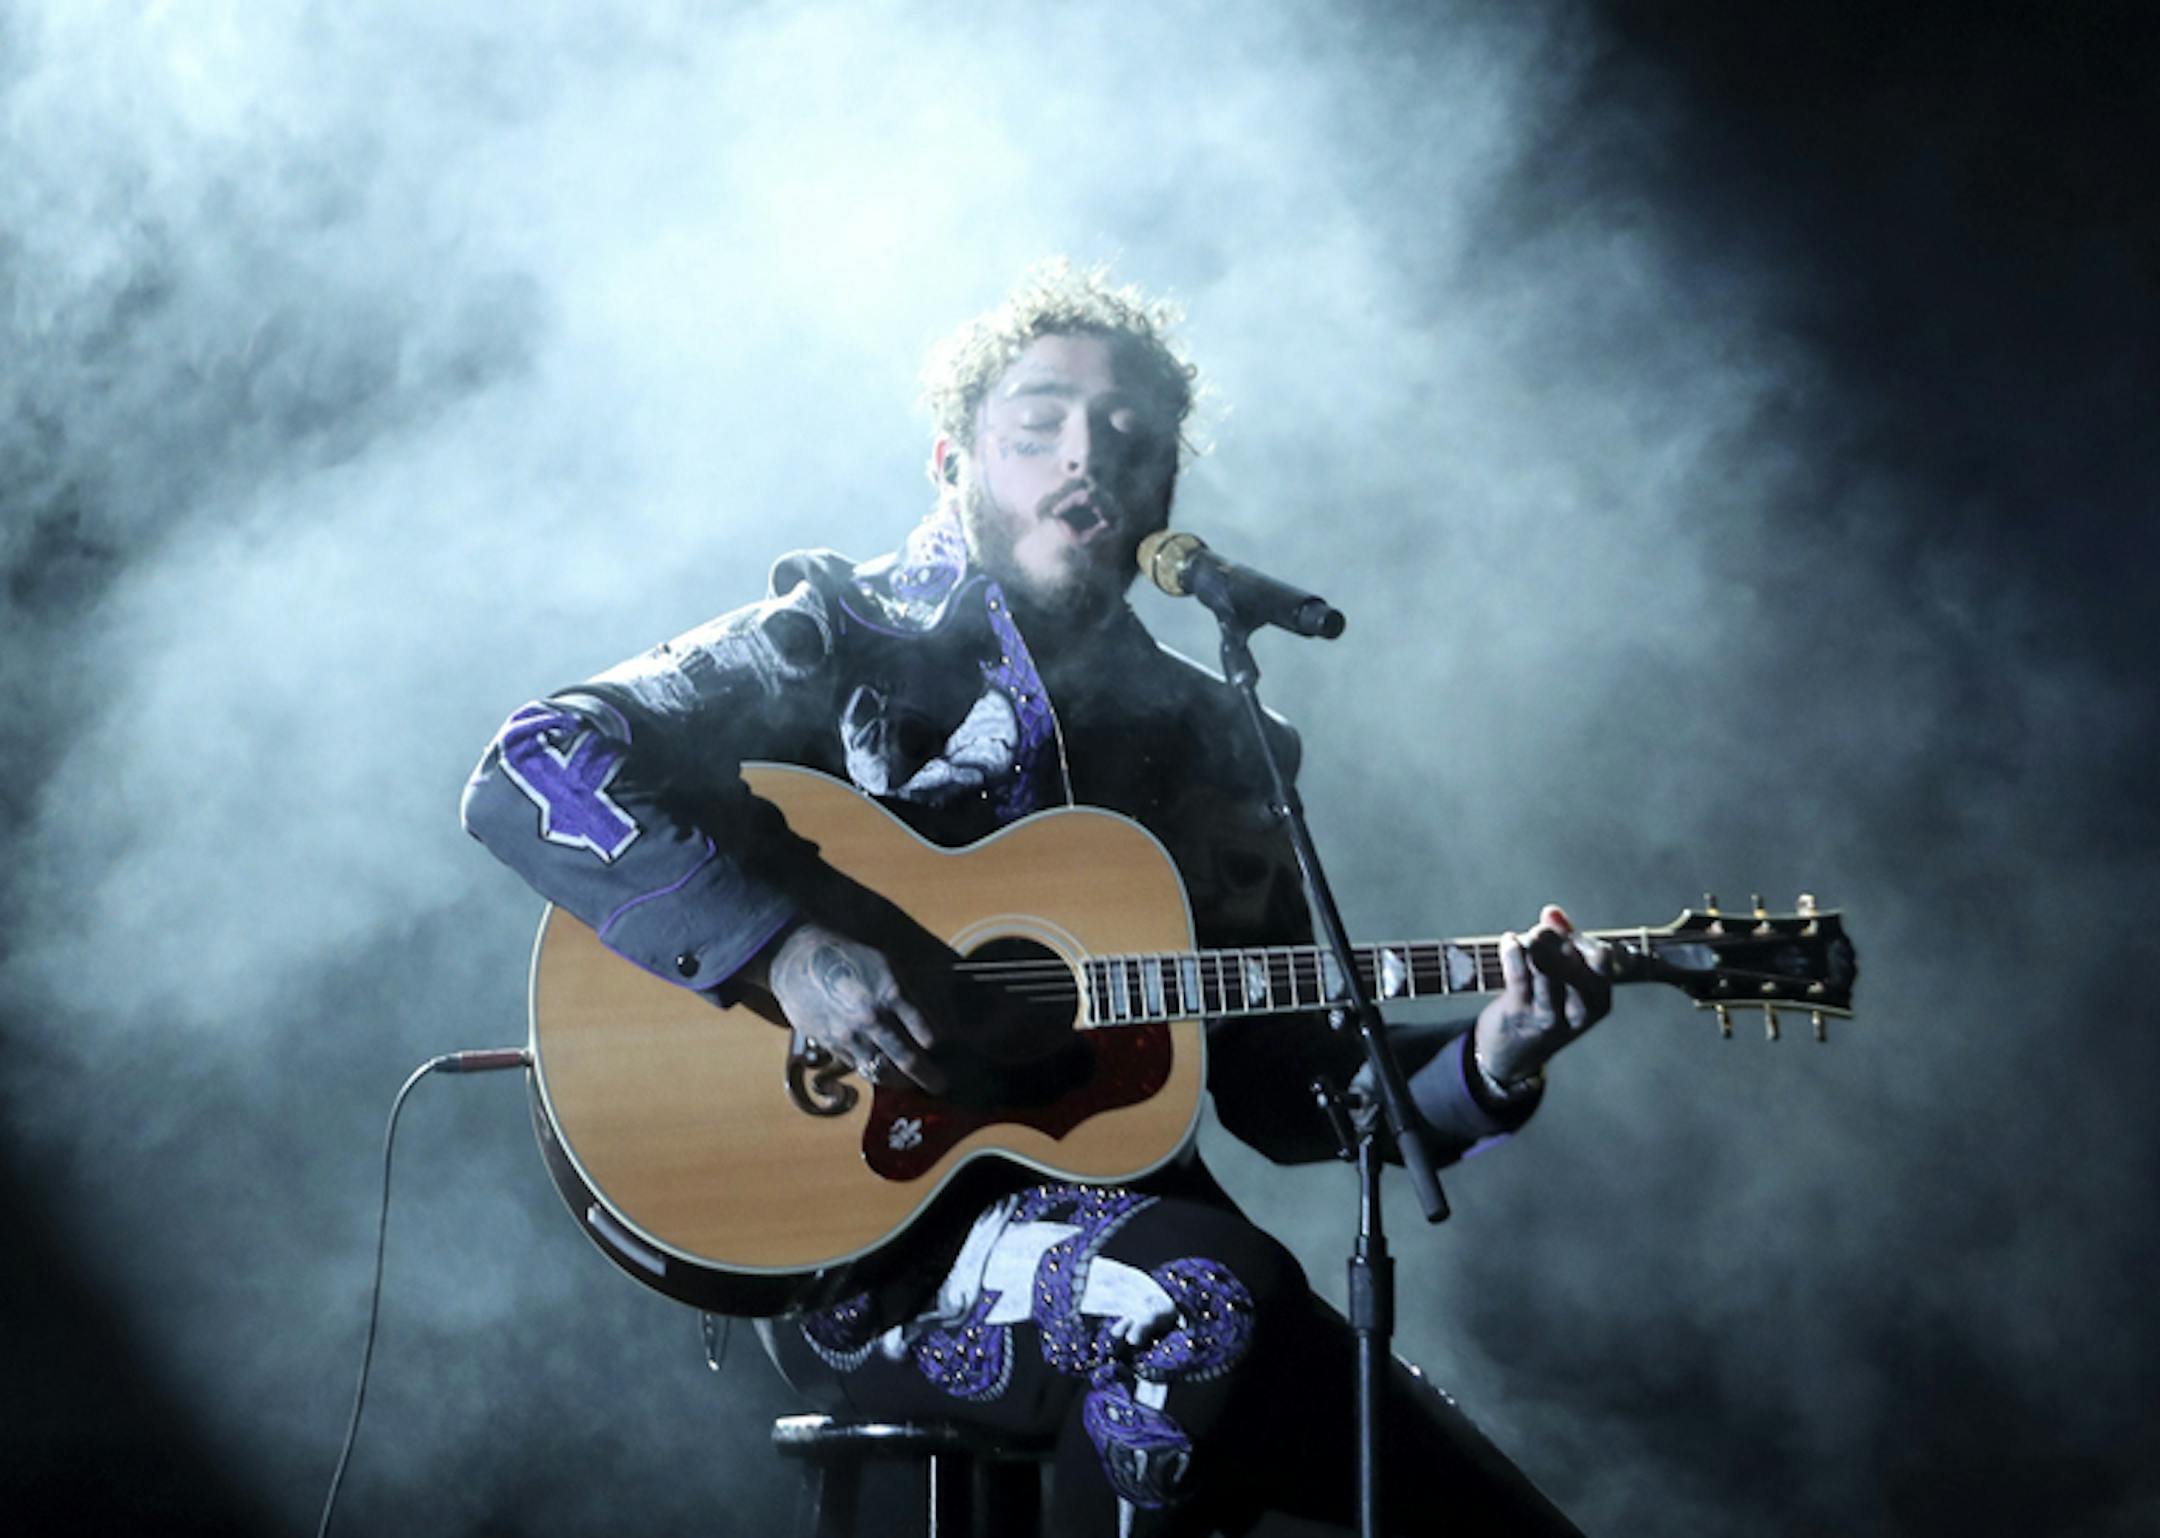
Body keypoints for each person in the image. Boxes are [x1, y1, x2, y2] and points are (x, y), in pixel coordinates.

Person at [461, 262, 1611, 1536]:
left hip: (1149, 1241)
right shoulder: (844, 631)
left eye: (1130, 439)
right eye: (1038, 428)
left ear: (1166, 486)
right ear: (954, 456)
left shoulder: (1221, 738)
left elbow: (1286, 1087)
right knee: (1211, 1296)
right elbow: (535, 760)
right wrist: (782, 950)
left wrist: (1492, 1062)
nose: (1088, 462)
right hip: (878, 1251)